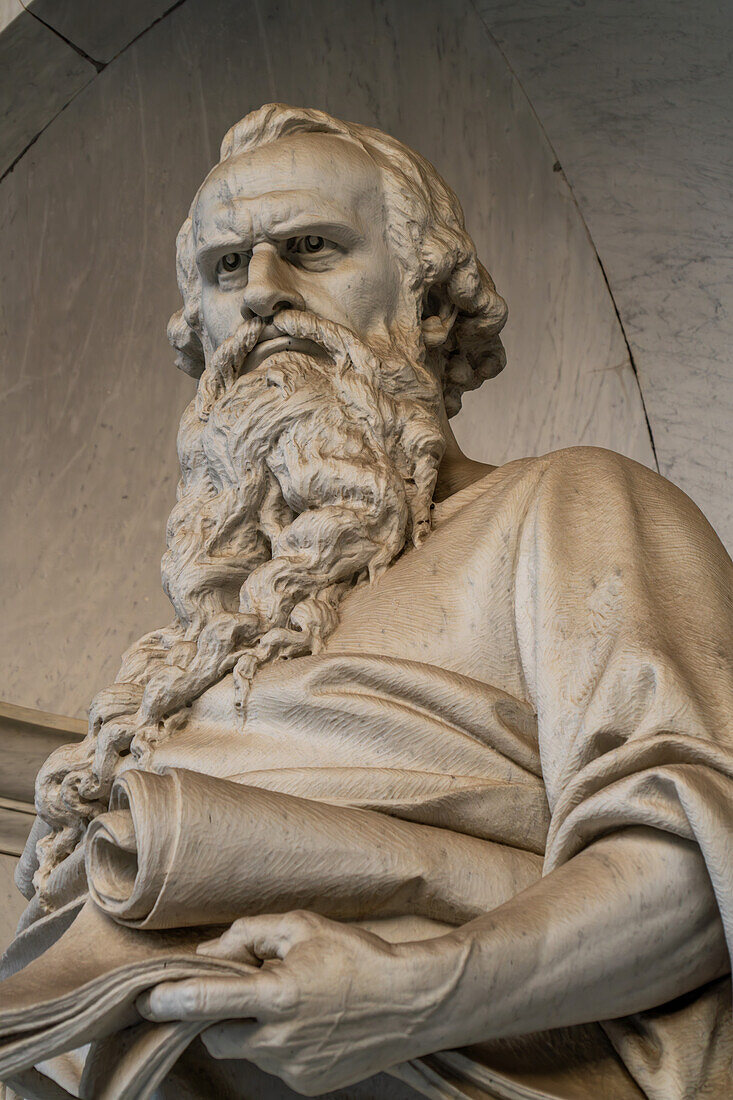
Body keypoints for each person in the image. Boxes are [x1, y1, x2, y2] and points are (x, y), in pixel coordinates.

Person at [11, 104, 733, 1099]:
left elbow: (700, 864)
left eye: (310, 249)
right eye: (228, 269)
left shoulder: (564, 506)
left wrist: (415, 991)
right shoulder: (178, 665)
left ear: (428, 301)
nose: (263, 294)